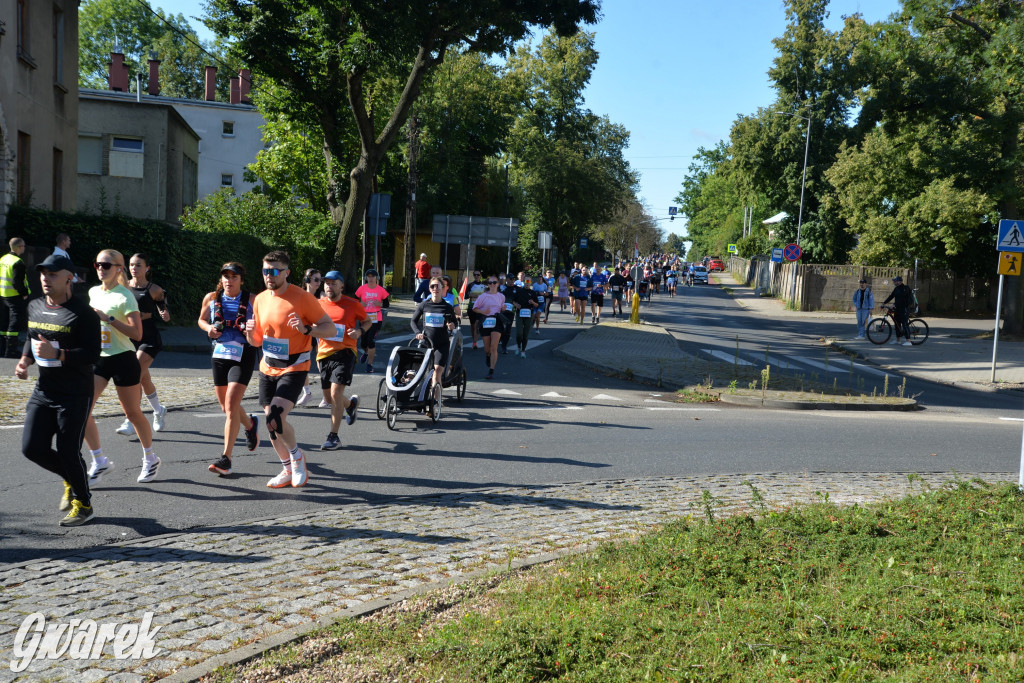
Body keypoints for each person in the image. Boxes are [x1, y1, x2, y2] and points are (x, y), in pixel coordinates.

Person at [16, 254, 101, 526]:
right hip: (44, 389)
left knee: (68, 451)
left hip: (75, 393)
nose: (45, 278)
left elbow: (92, 354)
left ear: (69, 278)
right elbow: (33, 335)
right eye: (43, 273)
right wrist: (25, 360)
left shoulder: (83, 313)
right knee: (32, 448)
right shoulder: (35, 305)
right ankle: (70, 477)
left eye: (52, 274)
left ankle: (83, 504)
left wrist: (59, 353)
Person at [244, 250, 335, 488]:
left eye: (274, 271)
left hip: (295, 365)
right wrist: (249, 331)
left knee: (276, 416)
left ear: (287, 273)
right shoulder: (261, 299)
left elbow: (330, 329)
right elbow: (256, 341)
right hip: (268, 366)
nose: (269, 276)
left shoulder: (303, 298)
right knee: (271, 423)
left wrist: (307, 330)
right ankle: (286, 468)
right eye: (265, 271)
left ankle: (297, 458)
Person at [83, 250, 161, 485]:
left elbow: (137, 333)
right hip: (99, 358)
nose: (100, 268)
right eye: (97, 264)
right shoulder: (93, 291)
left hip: (123, 358)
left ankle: (150, 458)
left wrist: (108, 319)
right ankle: (99, 461)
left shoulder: (125, 296)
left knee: (132, 413)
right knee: (83, 408)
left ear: (118, 268)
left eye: (106, 265)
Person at [198, 262, 261, 476]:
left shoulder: (253, 300)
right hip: (220, 353)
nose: (229, 280)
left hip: (244, 353)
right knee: (226, 407)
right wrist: (209, 329)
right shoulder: (211, 298)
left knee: (232, 404)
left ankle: (226, 459)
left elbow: (265, 324)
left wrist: (255, 329)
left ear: (241, 280)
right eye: (226, 276)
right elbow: (201, 319)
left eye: (234, 277)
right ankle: (250, 424)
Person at [114, 253, 171, 438]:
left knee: (135, 373)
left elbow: (163, 307)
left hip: (148, 337)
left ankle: (130, 419)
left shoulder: (154, 289)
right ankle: (158, 410)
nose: (133, 268)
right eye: (131, 265)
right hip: (129, 336)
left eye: (138, 265)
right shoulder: (123, 288)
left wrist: (164, 313)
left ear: (147, 268)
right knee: (143, 378)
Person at [316, 271, 369, 451]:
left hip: (346, 351)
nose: (329, 286)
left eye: (333, 283)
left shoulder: (353, 304)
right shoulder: (318, 304)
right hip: (323, 354)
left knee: (335, 393)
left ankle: (334, 437)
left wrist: (359, 332)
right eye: (327, 283)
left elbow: (368, 321)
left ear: (341, 286)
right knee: (329, 398)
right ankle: (351, 405)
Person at [410, 276, 459, 398]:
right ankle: (422, 396)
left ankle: (434, 403)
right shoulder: (424, 305)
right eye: (433, 286)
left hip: (442, 344)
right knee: (422, 372)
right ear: (429, 289)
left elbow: (455, 322)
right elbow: (413, 321)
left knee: (436, 373)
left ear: (443, 288)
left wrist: (452, 325)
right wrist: (417, 333)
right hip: (426, 344)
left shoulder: (447, 306)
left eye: (438, 286)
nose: (435, 288)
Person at [296, 268, 324, 407]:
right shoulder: (300, 295)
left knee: (322, 363)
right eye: (316, 279)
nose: (319, 282)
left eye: (320, 280)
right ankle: (307, 392)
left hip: (318, 331)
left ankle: (327, 395)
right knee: (301, 364)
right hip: (304, 332)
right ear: (307, 280)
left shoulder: (322, 296)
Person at [0, 237, 30, 358]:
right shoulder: (17, 262)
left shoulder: (3, 259)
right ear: (18, 247)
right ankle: (11, 350)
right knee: (15, 322)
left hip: (3, 295)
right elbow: (17, 282)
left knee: (4, 321)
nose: (24, 248)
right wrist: (24, 293)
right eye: (23, 246)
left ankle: (2, 348)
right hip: (15, 296)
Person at [355, 268, 389, 373]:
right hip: (364, 319)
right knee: (363, 343)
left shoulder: (381, 290)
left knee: (370, 341)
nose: (370, 278)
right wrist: (360, 304)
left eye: (372, 276)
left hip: (376, 319)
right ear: (366, 278)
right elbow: (354, 301)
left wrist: (380, 304)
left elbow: (387, 304)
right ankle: (365, 353)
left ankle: (369, 364)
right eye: (368, 276)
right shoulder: (361, 288)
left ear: (376, 278)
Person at [473, 275, 506, 379]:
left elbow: (501, 308)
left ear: (498, 284)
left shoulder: (501, 296)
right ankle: (487, 356)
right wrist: (483, 311)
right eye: (490, 283)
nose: (492, 284)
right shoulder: (483, 296)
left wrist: (504, 309)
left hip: (497, 320)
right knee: (487, 349)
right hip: (486, 321)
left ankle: (491, 370)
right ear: (488, 284)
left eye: (494, 283)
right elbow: (475, 308)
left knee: (493, 347)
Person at [881, 275, 913, 346]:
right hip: (898, 308)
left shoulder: (905, 288)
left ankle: (909, 341)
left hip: (904, 308)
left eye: (895, 281)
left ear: (900, 281)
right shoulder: (896, 289)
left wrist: (894, 304)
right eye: (894, 281)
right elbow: (891, 296)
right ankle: (898, 340)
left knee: (904, 323)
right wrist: (884, 303)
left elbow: (902, 299)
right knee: (897, 323)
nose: (894, 282)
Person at [513, 275, 539, 357]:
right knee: (518, 334)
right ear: (524, 282)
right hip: (519, 314)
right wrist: (516, 304)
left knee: (525, 334)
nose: (527, 283)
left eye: (529, 281)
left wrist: (533, 303)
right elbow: (513, 301)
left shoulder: (533, 293)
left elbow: (537, 305)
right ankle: (518, 347)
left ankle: (523, 351)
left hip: (529, 315)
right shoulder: (519, 291)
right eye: (526, 281)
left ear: (530, 282)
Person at [466, 270, 487, 349]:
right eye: (475, 275)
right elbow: (466, 296)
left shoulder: (484, 286)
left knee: (477, 325)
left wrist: (477, 295)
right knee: (472, 326)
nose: (476, 276)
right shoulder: (470, 285)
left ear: (481, 275)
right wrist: (475, 295)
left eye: (478, 275)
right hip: (471, 307)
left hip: (480, 308)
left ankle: (475, 342)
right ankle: (474, 339)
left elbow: (486, 296)